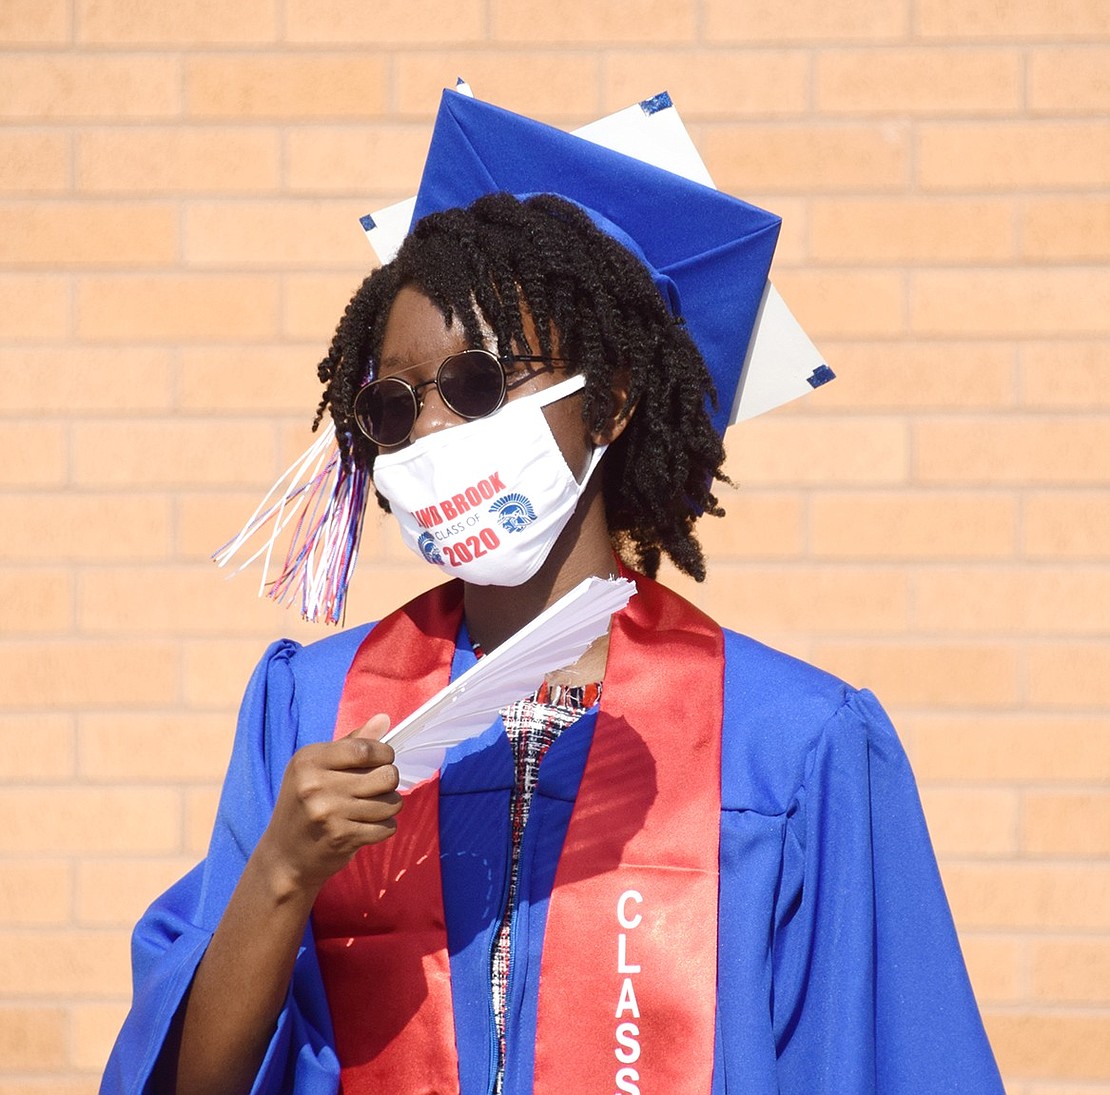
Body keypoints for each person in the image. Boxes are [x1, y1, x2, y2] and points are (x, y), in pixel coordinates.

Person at [103, 92, 1004, 1095]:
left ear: (609, 399)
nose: (434, 433)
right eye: (395, 407)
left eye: (478, 385)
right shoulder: (313, 712)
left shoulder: (788, 741)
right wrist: (280, 874)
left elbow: (884, 1059)